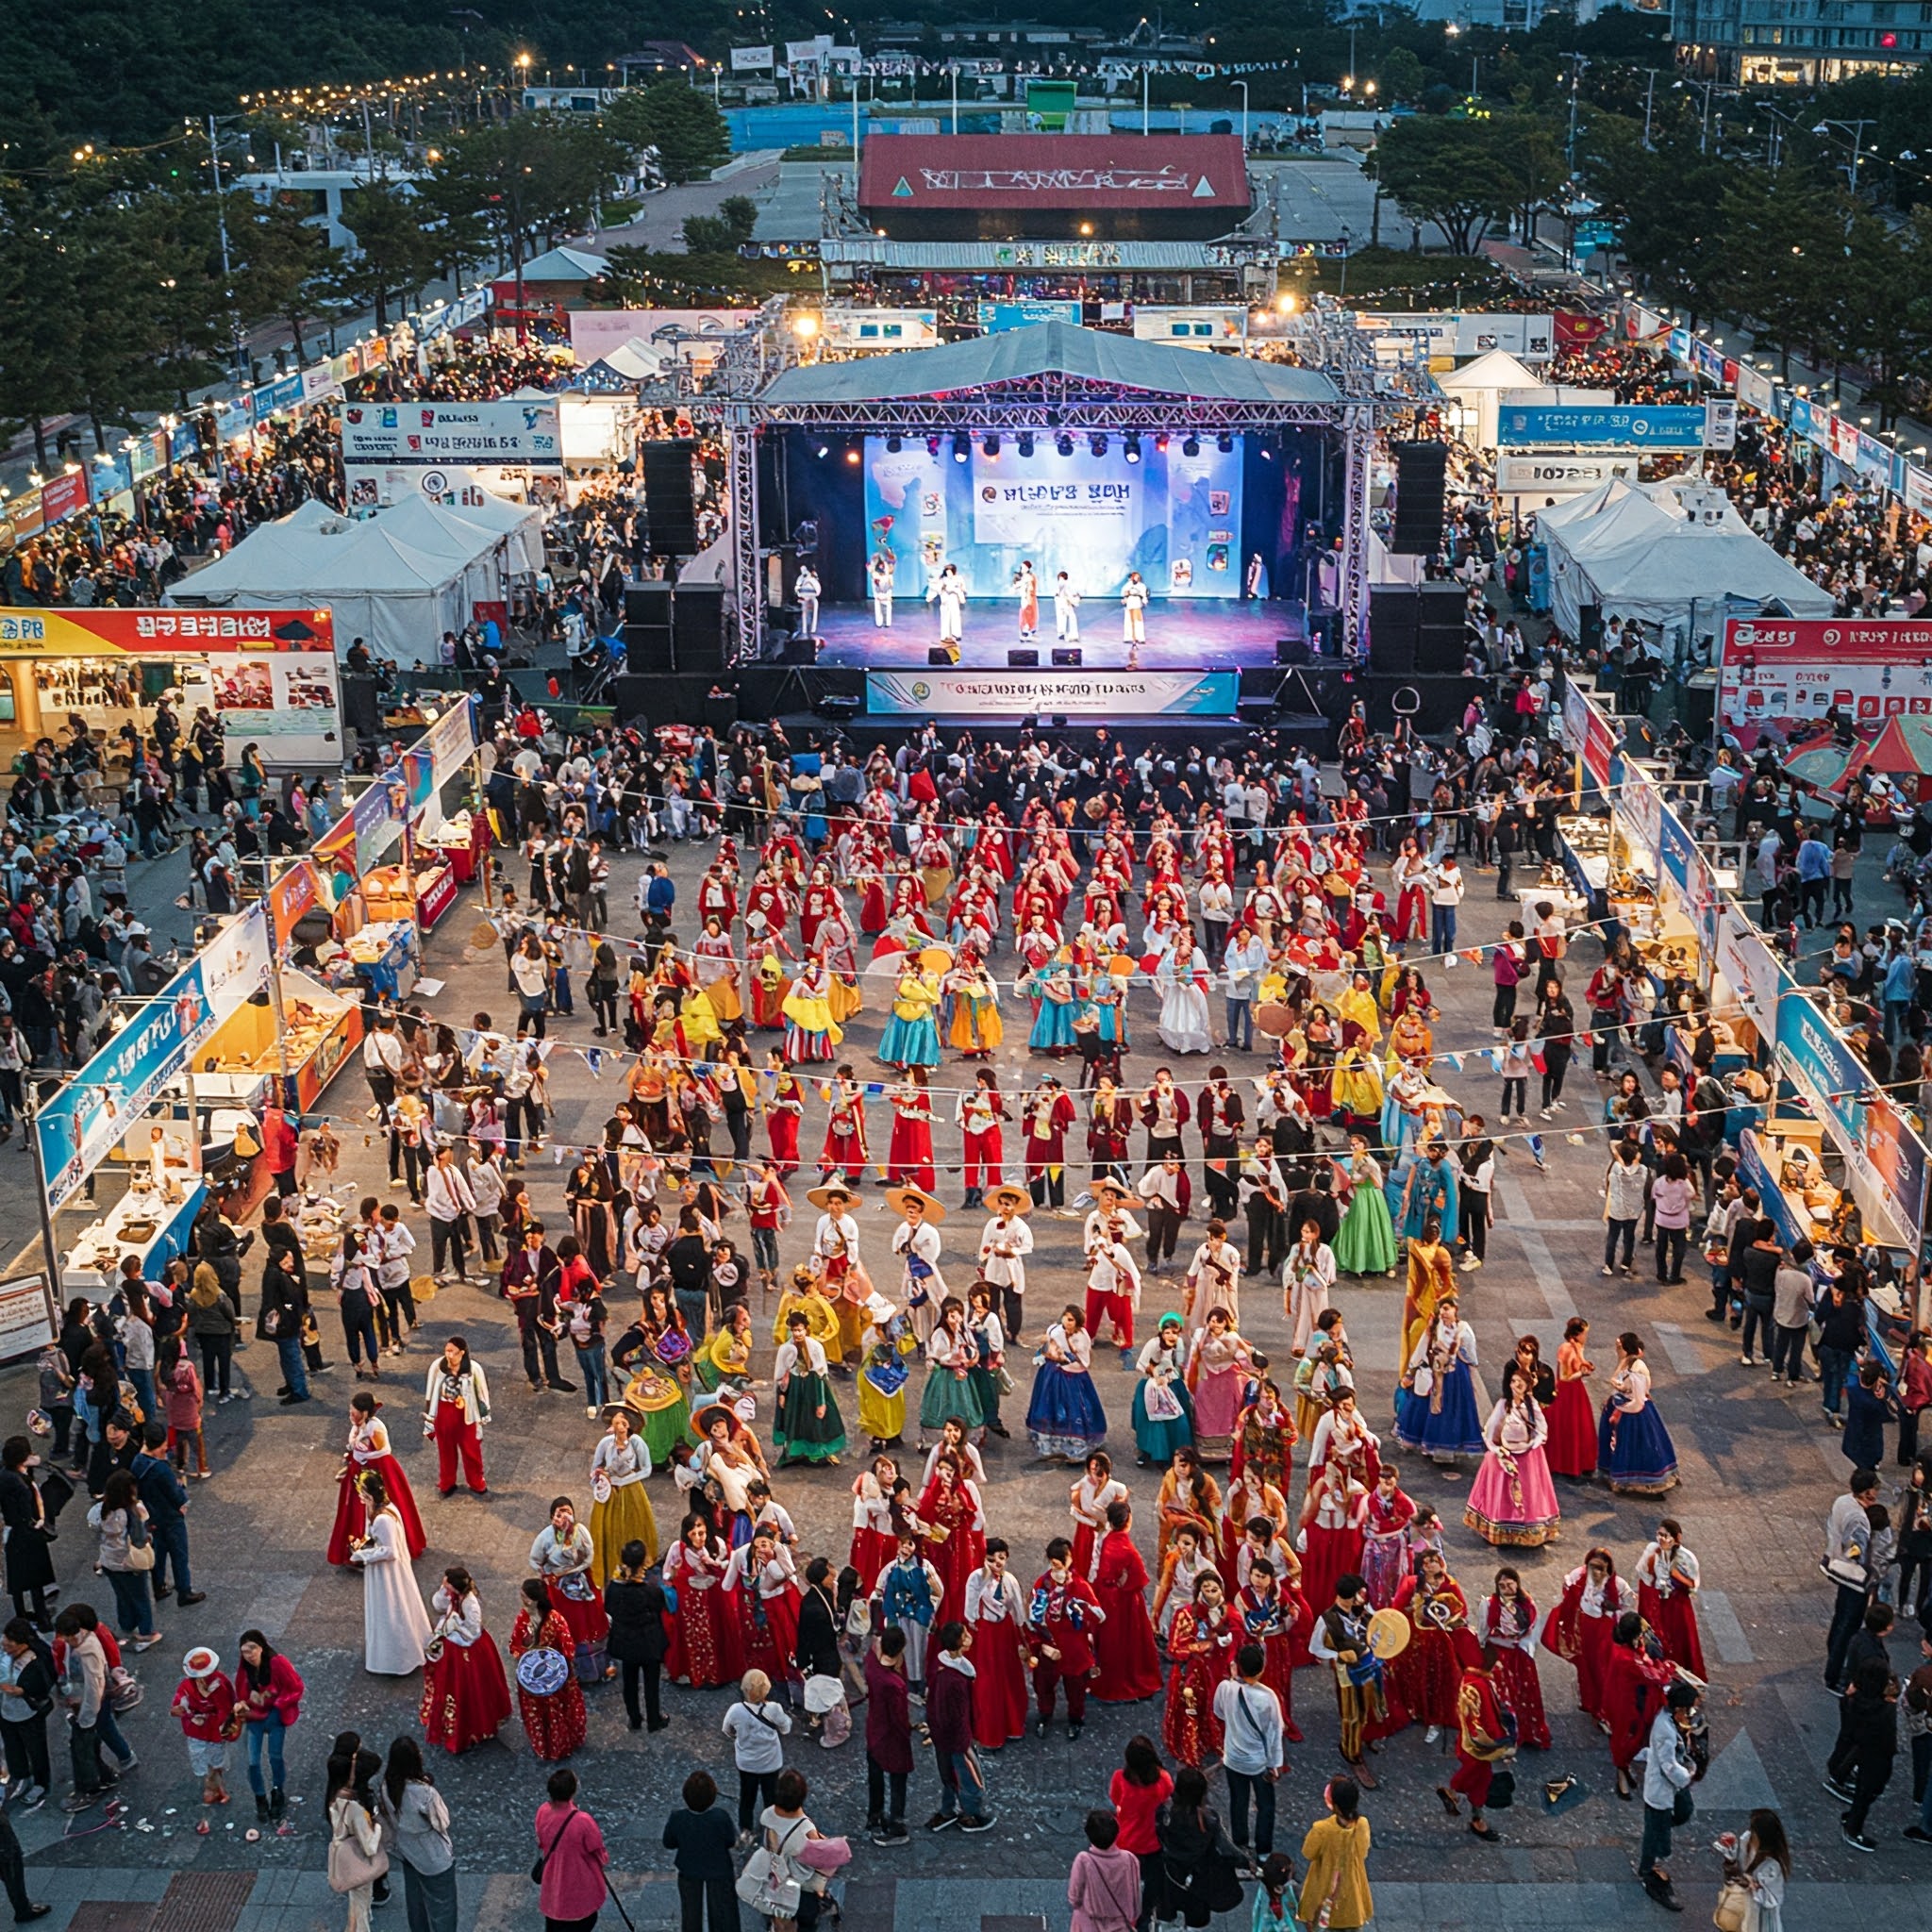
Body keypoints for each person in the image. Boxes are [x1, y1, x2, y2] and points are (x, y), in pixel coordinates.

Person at [420, 1566, 512, 1755]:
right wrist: (443, 1591)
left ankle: (469, 1728)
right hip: (452, 1643)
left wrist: (456, 1625)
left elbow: (472, 1634)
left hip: (467, 1651)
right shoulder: (453, 1596)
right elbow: (438, 1605)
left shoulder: (471, 1604)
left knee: (467, 1689)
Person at [348, 1470, 430, 1675]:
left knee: (391, 1610)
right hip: (384, 1570)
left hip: (387, 1574)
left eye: (361, 1492)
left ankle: (398, 1657)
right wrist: (363, 1544)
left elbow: (390, 1551)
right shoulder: (381, 1509)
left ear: (368, 1493)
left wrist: (363, 1556)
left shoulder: (382, 1518)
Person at [1213, 1641, 1285, 1872]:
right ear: (1262, 1668)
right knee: (1265, 1805)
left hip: (1233, 1758)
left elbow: (1218, 1712)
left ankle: (1240, 1845)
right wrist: (1275, 1765)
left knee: (1238, 1801)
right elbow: (1275, 1733)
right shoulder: (1268, 1697)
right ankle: (1263, 1852)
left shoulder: (1226, 1688)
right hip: (1259, 1762)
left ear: (1238, 1666)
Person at [381, 1737, 458, 1932]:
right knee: (443, 1909)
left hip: (408, 1852)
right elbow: (442, 1822)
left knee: (416, 1906)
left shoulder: (387, 1785)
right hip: (434, 1858)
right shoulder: (425, 1794)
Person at [1637, 1682, 1701, 1908]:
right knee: (1656, 1833)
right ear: (1679, 1709)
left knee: (1684, 1811)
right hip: (1662, 1789)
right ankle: (1648, 1869)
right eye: (1690, 1710)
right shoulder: (1664, 1729)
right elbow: (1668, 1765)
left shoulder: (1672, 1721)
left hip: (1673, 1787)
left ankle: (1656, 1831)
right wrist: (1688, 1777)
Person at [511, 1578, 589, 1761]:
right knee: (539, 1716)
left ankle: (559, 1745)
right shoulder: (523, 1618)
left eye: (523, 1596)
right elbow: (514, 1643)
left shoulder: (555, 1620)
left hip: (555, 1680)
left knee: (556, 1714)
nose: (521, 1599)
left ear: (532, 1600)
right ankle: (545, 1745)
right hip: (532, 1678)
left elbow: (568, 1650)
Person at [926, 1620, 993, 1831]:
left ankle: (948, 1810)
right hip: (956, 1738)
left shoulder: (941, 1670)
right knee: (968, 1776)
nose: (969, 1638)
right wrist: (967, 1738)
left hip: (942, 1735)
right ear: (958, 1642)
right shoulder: (955, 1679)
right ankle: (971, 1815)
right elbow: (957, 1715)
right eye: (965, 1635)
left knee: (948, 1774)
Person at [234, 1629, 303, 1822]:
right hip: (254, 1715)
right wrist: (243, 1702)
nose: (249, 1656)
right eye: (245, 1652)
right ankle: (260, 1797)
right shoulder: (245, 1667)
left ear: (262, 1647)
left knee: (275, 1757)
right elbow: (241, 1689)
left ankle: (277, 1792)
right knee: (253, 1761)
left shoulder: (278, 1663)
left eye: (253, 1649)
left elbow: (296, 1687)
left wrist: (277, 1703)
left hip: (274, 1715)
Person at [606, 1539, 671, 1734]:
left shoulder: (614, 1589)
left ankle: (634, 1718)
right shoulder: (651, 1590)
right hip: (649, 1641)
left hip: (626, 1642)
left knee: (630, 1682)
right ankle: (654, 1719)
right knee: (651, 1683)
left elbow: (608, 1608)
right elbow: (661, 1607)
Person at [663, 1769, 741, 1932]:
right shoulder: (721, 1817)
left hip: (689, 1869)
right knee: (723, 1913)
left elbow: (669, 1842)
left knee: (690, 1913)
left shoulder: (678, 1818)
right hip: (719, 1870)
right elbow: (730, 1841)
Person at [533, 1767, 608, 1932]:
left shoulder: (543, 1811)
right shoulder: (582, 1821)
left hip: (553, 1886)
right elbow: (599, 1853)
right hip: (579, 1887)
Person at [723, 1668, 792, 1840]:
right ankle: (772, 1829)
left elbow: (727, 1730)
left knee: (747, 1797)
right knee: (771, 1796)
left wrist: (738, 1738)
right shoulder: (774, 1709)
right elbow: (786, 1728)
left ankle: (746, 1830)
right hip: (771, 1762)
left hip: (746, 1763)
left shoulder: (735, 1710)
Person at [1297, 1776, 1372, 1931]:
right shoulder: (1362, 1824)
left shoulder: (1322, 1829)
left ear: (1335, 1806)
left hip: (1325, 1895)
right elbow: (1363, 1853)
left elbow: (1308, 1853)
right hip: (1352, 1896)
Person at [864, 1624, 916, 1844]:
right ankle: (896, 1824)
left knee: (875, 1776)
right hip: (892, 1737)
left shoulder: (871, 1665)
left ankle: (874, 1814)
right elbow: (899, 1718)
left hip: (874, 1730)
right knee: (898, 1780)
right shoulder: (895, 1685)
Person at [326, 1748, 387, 1932]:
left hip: (342, 1854)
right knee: (361, 1904)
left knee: (355, 1902)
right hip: (357, 1858)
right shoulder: (358, 1810)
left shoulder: (339, 1796)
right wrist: (377, 1828)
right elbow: (369, 1846)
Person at [1068, 1808, 1141, 1932]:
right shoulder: (1130, 1859)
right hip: (1120, 1926)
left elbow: (1074, 1899)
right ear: (1116, 1832)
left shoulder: (1084, 1861)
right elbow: (1135, 1903)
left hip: (1089, 1925)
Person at [1723, 1809, 1789, 1931]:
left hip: (1759, 1918)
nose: (1750, 1832)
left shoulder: (1773, 1865)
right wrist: (1730, 1860)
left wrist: (1750, 1884)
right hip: (1742, 1908)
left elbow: (1771, 1899)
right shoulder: (1746, 1841)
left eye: (1753, 1829)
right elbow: (1737, 1873)